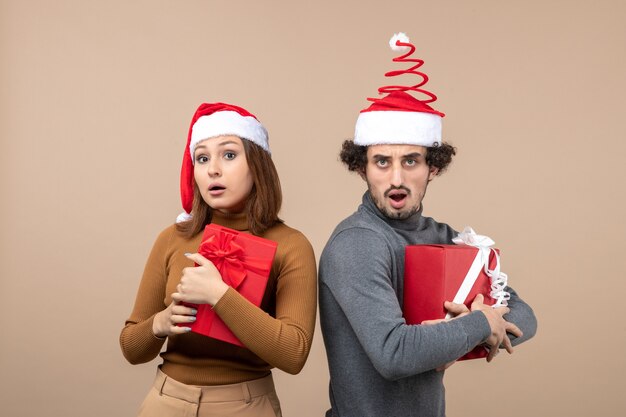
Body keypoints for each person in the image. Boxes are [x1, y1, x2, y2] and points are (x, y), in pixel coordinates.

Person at [318, 33, 537, 417]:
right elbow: (395, 354)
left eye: (411, 161)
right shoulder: (356, 243)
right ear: (361, 168)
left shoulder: (443, 237)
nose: (396, 178)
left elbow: (524, 315)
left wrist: (464, 328)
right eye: (382, 162)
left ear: (433, 166)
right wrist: (477, 326)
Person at [120, 102, 317, 417]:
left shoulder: (291, 246)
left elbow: (293, 354)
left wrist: (218, 294)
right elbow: (131, 347)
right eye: (202, 158)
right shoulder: (172, 238)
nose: (213, 169)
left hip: (246, 405)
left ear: (257, 164)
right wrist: (161, 322)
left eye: (229, 154)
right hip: (165, 402)